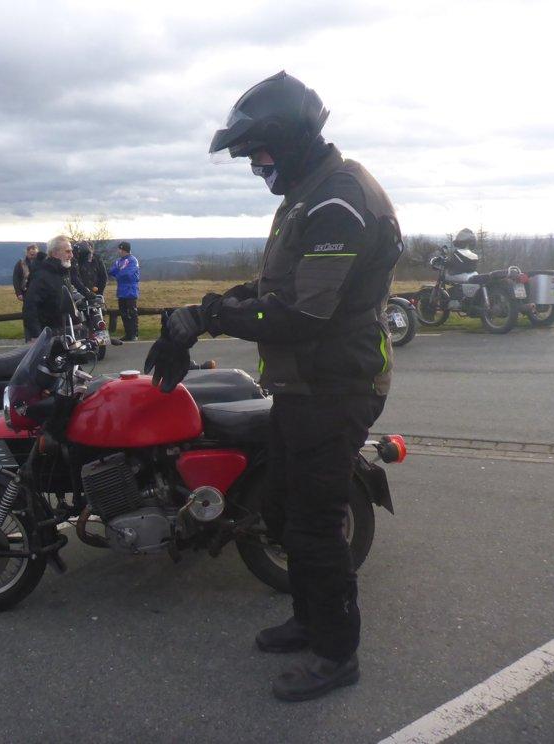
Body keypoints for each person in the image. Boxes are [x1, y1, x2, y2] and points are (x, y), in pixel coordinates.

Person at [144, 71, 404, 702]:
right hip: (301, 385)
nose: (256, 165)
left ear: (288, 140)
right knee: (282, 508)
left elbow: (302, 315)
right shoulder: (308, 196)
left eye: (258, 152)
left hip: (337, 385)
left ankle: (337, 653)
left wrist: (208, 318)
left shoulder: (338, 202)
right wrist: (200, 312)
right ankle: (309, 620)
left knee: (315, 524)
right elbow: (271, 290)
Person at [23, 235, 77, 339]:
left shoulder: (63, 272)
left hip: (64, 332)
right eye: (67, 251)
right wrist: (37, 336)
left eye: (71, 251)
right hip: (47, 335)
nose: (71, 255)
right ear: (55, 253)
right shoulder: (42, 275)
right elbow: (30, 307)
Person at [109, 241, 140, 340]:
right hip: (121, 290)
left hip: (130, 290)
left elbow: (128, 273)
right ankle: (128, 334)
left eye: (120, 249)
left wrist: (119, 274)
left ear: (124, 249)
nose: (119, 251)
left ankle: (134, 334)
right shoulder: (119, 261)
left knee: (132, 313)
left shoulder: (132, 260)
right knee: (123, 313)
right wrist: (119, 273)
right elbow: (112, 271)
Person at [14, 244, 40, 340]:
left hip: (39, 293)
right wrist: (19, 293)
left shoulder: (41, 263)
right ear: (27, 252)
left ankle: (40, 338)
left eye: (34, 251)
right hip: (27, 293)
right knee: (28, 316)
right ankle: (29, 338)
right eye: (30, 251)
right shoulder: (21, 263)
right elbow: (16, 278)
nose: (32, 253)